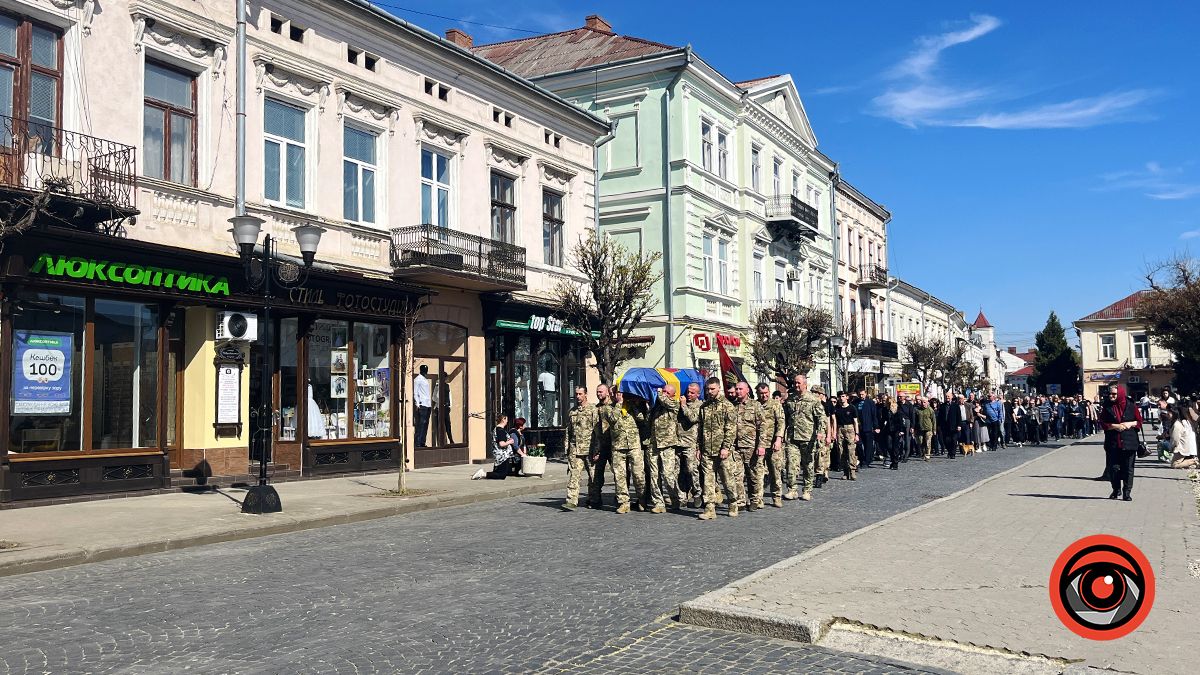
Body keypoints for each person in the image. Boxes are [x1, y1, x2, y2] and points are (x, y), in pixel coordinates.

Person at [697, 377, 738, 520]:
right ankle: (709, 509)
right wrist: (699, 447)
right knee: (708, 481)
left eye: (712, 389)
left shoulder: (728, 406)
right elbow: (700, 429)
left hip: (723, 451)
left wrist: (726, 447)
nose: (709, 392)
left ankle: (733, 503)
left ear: (719, 388)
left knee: (727, 480)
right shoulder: (704, 407)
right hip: (707, 450)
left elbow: (731, 429)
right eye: (707, 389)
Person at [783, 373, 827, 500]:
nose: (796, 385)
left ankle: (807, 490)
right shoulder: (790, 399)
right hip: (792, 438)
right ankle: (792, 489)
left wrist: (820, 432)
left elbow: (821, 418)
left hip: (808, 438)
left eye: (798, 383)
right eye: (795, 383)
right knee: (791, 464)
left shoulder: (813, 399)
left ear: (805, 384)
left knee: (808, 465)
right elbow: (785, 418)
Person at [1100, 385, 1142, 501]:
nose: (1111, 396)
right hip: (1113, 442)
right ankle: (1115, 489)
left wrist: (1130, 424)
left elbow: (1139, 421)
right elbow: (1102, 423)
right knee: (1113, 468)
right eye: (1110, 394)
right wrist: (1114, 426)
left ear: (1120, 394)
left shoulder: (1131, 405)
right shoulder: (1107, 406)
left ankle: (1127, 492)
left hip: (1129, 442)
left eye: (1114, 394)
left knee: (1128, 468)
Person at [608, 390, 648, 514]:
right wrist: (619, 403)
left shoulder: (632, 407)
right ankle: (623, 502)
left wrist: (635, 404)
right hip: (618, 447)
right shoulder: (609, 408)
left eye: (619, 393)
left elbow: (642, 418)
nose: (617, 395)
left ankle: (642, 500)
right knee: (620, 476)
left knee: (638, 475)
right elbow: (612, 419)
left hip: (634, 445)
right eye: (615, 393)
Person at [646, 384, 683, 513]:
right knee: (654, 476)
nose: (664, 393)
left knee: (668, 475)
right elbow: (648, 420)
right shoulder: (657, 407)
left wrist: (660, 393)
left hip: (668, 445)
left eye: (668, 392)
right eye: (664, 391)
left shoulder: (674, 405)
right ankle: (658, 503)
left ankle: (676, 498)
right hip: (654, 444)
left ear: (673, 395)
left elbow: (665, 401)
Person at [730, 381, 766, 513]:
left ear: (747, 391)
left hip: (751, 446)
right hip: (736, 446)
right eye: (737, 389)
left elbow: (762, 426)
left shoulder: (755, 405)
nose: (738, 391)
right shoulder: (733, 406)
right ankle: (741, 500)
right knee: (737, 475)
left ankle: (755, 499)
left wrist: (761, 445)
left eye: (740, 389)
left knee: (753, 475)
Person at [562, 387, 597, 510]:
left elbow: (598, 430)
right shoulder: (572, 411)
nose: (578, 396)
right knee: (574, 475)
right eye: (576, 394)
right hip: (575, 449)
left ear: (586, 394)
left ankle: (594, 499)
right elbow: (568, 431)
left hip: (590, 448)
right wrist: (567, 447)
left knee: (593, 476)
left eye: (580, 394)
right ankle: (571, 500)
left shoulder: (593, 410)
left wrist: (597, 449)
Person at [756, 382, 788, 507]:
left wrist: (778, 439)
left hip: (773, 443)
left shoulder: (775, 405)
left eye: (766, 393)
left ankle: (776, 496)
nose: (764, 396)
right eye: (761, 393)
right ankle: (758, 498)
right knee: (758, 472)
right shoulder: (755, 405)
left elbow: (781, 422)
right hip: (759, 444)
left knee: (775, 471)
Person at [587, 384, 617, 508]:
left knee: (618, 473)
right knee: (597, 474)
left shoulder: (613, 406)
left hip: (613, 445)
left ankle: (620, 498)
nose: (599, 394)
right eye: (597, 392)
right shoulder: (596, 408)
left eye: (601, 392)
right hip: (600, 446)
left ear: (607, 393)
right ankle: (595, 499)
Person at [676, 383, 704, 508]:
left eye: (692, 393)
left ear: (698, 394)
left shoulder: (700, 405)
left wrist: (683, 406)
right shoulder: (680, 403)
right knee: (678, 472)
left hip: (690, 443)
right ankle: (682, 496)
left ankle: (697, 492)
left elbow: (692, 418)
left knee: (692, 469)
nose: (689, 394)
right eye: (688, 392)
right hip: (677, 442)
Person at [472, 414, 520, 479]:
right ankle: (483, 474)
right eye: (506, 420)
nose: (507, 422)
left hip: (499, 455)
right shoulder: (500, 430)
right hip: (502, 456)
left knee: (498, 472)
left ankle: (484, 475)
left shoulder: (497, 429)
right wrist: (510, 442)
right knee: (502, 475)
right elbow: (501, 444)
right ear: (503, 419)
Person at [833, 391, 860, 477]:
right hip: (840, 429)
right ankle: (845, 471)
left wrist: (857, 434)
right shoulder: (837, 408)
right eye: (840, 396)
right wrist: (835, 433)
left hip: (850, 428)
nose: (841, 398)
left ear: (847, 397)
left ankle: (852, 470)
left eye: (843, 396)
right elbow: (835, 421)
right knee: (841, 451)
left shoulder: (852, 408)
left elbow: (855, 422)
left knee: (851, 450)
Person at [1169, 405, 1198, 469]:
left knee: (1174, 464)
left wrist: (1172, 448)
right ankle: (1192, 462)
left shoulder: (1178, 424)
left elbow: (1175, 439)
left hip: (1182, 449)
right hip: (1190, 448)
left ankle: (1195, 461)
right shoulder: (1188, 422)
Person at [856, 389, 879, 469]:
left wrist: (876, 426)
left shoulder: (870, 403)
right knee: (859, 444)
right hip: (858, 427)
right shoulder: (855, 402)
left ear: (866, 394)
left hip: (868, 426)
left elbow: (874, 415)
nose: (861, 396)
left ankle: (867, 460)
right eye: (860, 394)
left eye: (862, 394)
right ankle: (861, 459)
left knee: (868, 445)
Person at [937, 391, 962, 458]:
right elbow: (940, 416)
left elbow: (959, 416)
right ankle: (949, 451)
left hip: (954, 426)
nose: (947, 397)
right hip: (945, 426)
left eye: (948, 396)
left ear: (951, 397)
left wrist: (959, 425)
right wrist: (939, 425)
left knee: (954, 440)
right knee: (946, 441)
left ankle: (953, 453)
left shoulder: (956, 406)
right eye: (946, 396)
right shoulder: (942, 406)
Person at [413, 364, 432, 448]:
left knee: (426, 424)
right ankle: (417, 443)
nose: (425, 372)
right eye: (424, 370)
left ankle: (422, 442)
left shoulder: (425, 379)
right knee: (421, 424)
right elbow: (415, 393)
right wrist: (417, 403)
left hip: (428, 404)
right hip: (422, 404)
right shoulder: (418, 380)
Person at [915, 396, 936, 461]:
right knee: (920, 442)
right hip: (920, 429)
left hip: (928, 429)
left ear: (927, 402)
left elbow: (934, 420)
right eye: (921, 402)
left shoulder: (930, 410)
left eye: (924, 402)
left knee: (928, 442)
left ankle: (928, 454)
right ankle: (923, 453)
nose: (923, 403)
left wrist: (934, 430)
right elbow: (916, 420)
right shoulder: (918, 410)